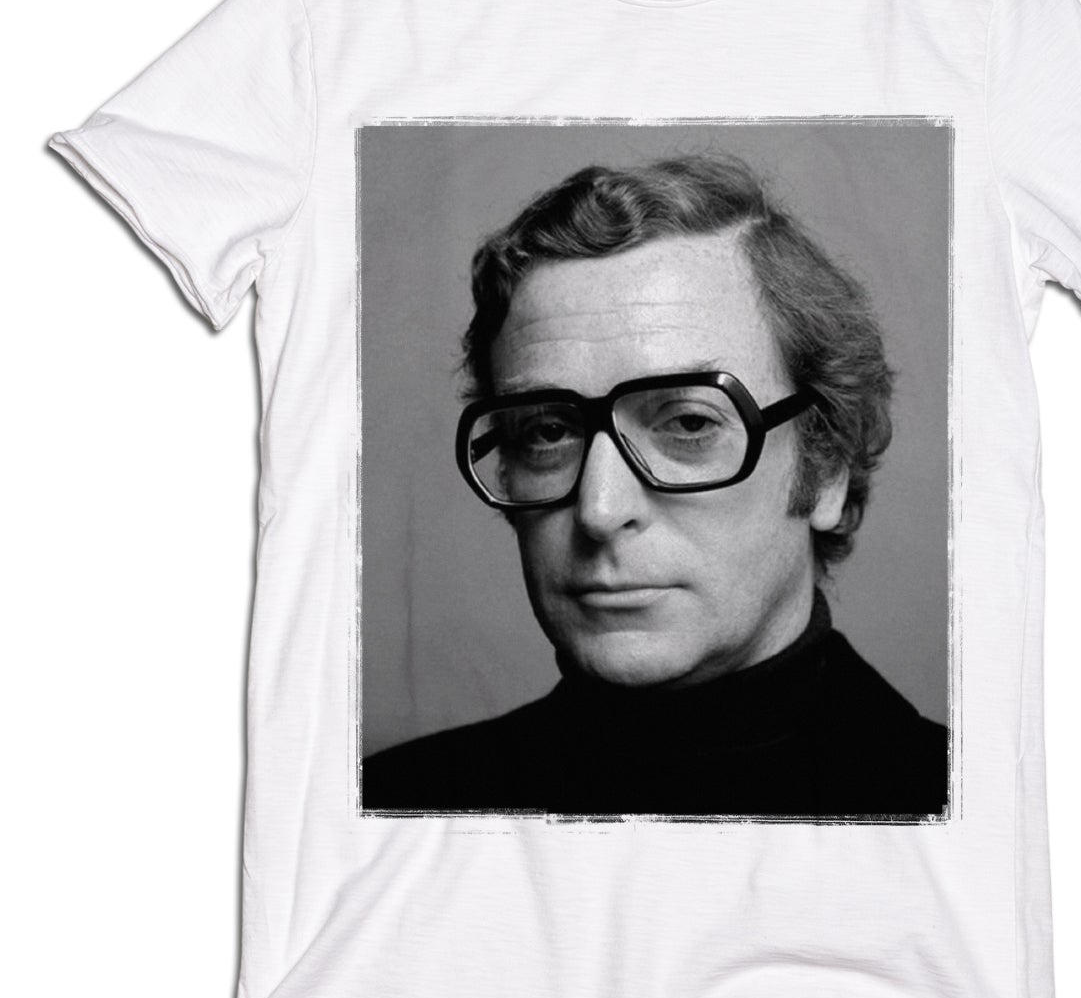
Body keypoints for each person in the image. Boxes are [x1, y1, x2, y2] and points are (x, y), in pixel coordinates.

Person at [361, 151, 948, 818]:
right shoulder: (391, 813)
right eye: (548, 432)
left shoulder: (978, 823)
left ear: (827, 468)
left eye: (689, 423)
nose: (599, 509)